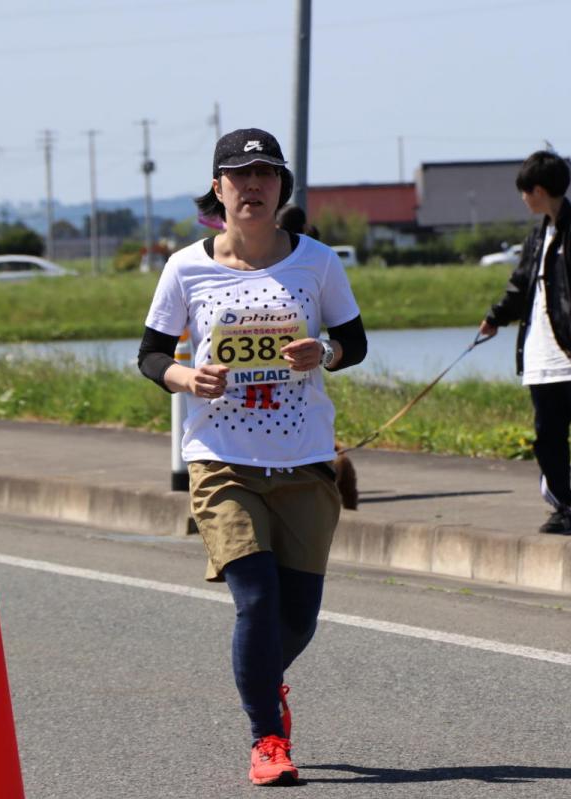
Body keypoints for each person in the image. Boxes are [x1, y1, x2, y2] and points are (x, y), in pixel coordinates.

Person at [136, 128, 367, 785]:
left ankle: (266, 680)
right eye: (240, 175)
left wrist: (324, 353)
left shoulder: (317, 263)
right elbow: (151, 354)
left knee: (298, 617)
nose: (254, 185)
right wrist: (186, 377)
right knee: (257, 603)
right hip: (222, 461)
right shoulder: (187, 267)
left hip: (304, 463)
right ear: (219, 188)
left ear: (281, 188)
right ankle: (266, 735)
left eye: (267, 174)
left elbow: (354, 340)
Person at [478, 150, 571, 537]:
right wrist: (496, 317)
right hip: (541, 357)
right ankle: (561, 508)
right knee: (548, 436)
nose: (523, 198)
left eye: (525, 191)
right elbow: (520, 286)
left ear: (541, 190)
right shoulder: (537, 236)